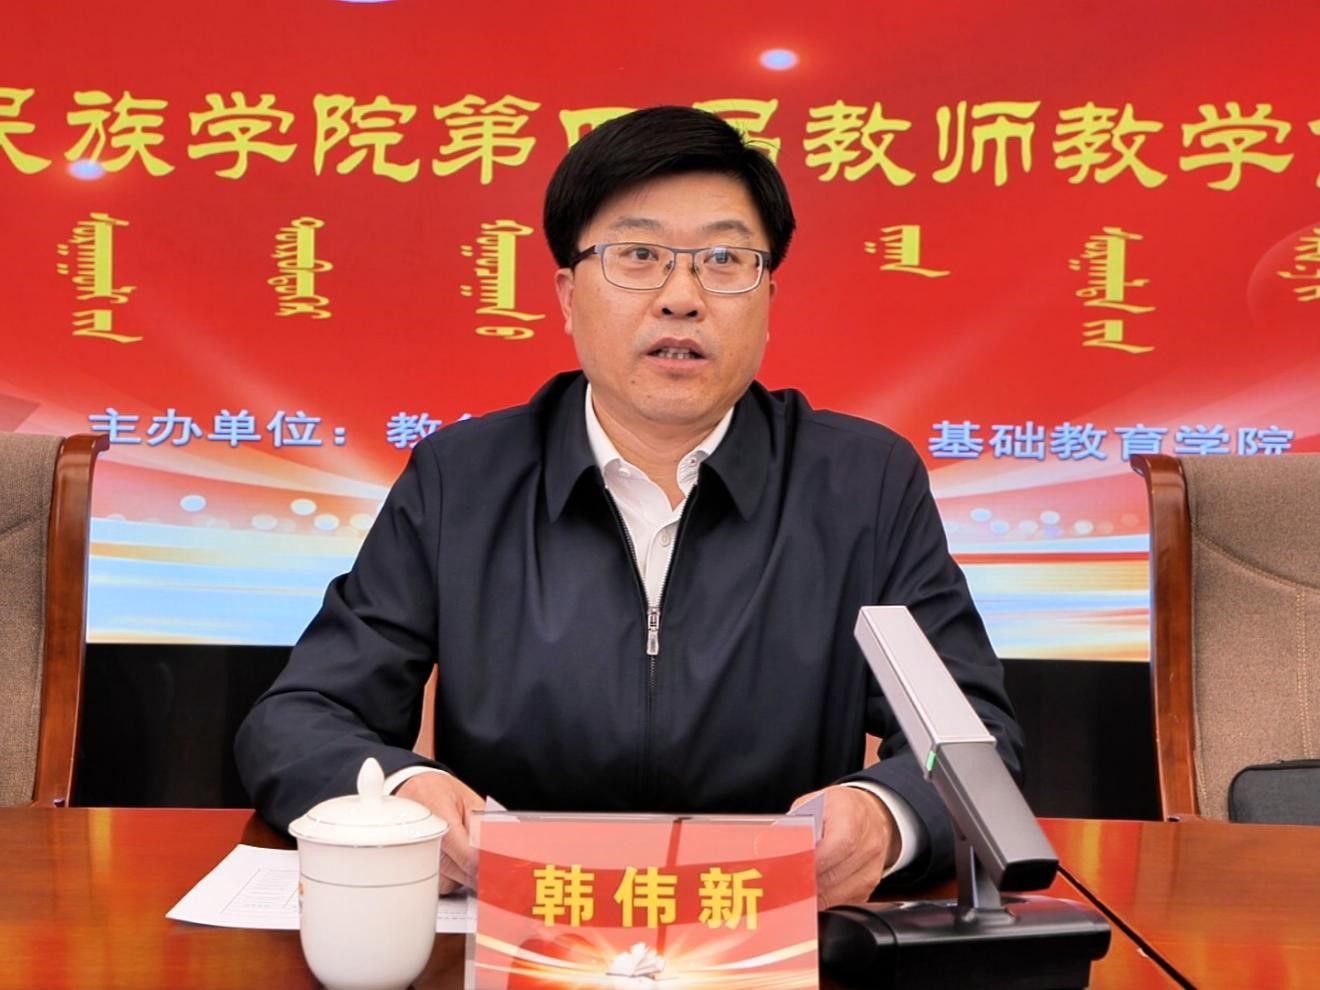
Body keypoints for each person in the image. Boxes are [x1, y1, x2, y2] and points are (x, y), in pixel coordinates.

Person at [235, 105, 1023, 909]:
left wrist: (886, 817)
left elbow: (974, 742)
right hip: (518, 924)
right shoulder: (461, 480)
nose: (682, 298)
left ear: (768, 298)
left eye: (724, 259)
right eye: (639, 256)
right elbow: (298, 719)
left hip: (772, 925)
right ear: (568, 296)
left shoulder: (863, 485)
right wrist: (401, 794)